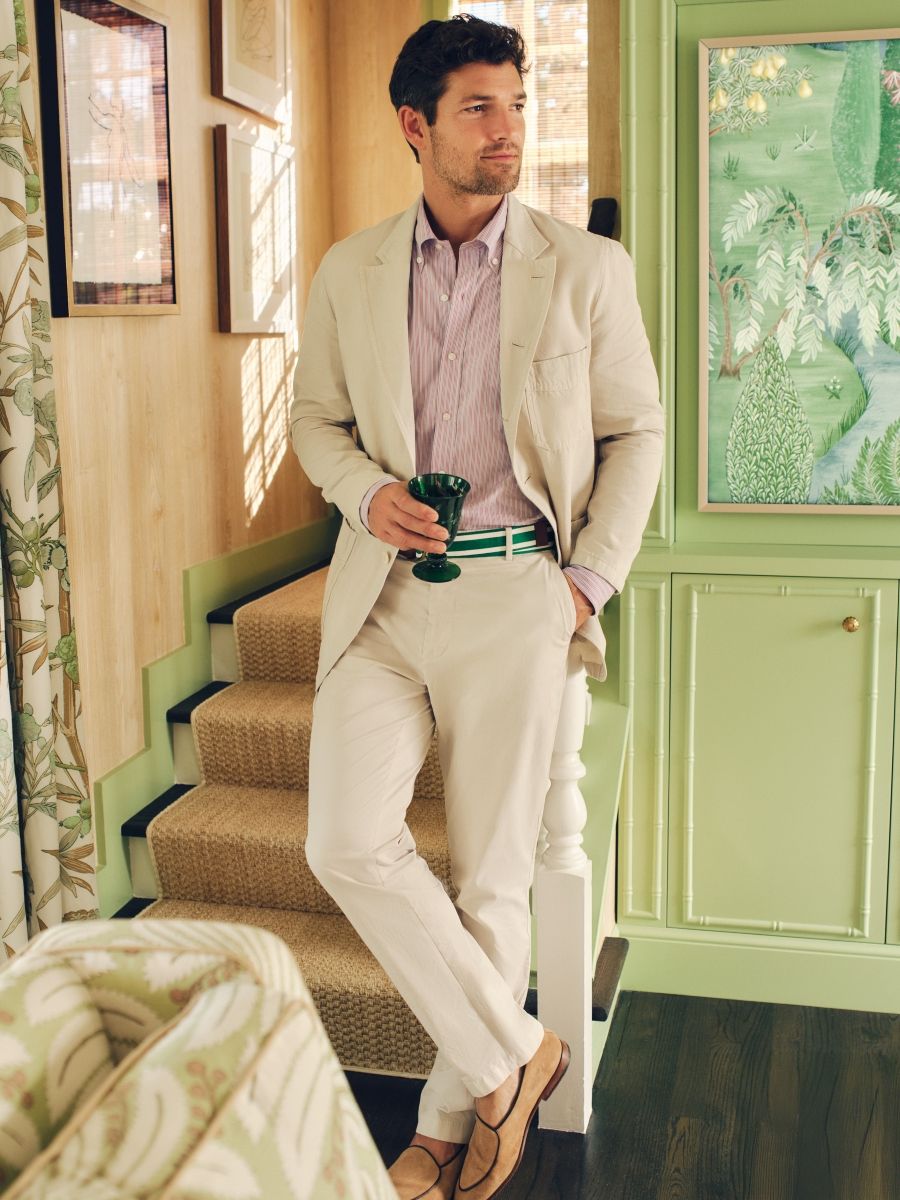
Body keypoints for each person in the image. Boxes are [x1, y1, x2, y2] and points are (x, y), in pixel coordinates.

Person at [290, 14, 664, 1199]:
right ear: (417, 126)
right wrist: (364, 494)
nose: (509, 130)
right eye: (480, 109)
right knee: (345, 838)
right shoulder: (349, 270)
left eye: (516, 104)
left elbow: (635, 432)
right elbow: (316, 423)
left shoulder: (584, 267)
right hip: (384, 594)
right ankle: (513, 1056)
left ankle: (447, 1129)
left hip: (520, 588)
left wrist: (584, 584)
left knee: (495, 876)